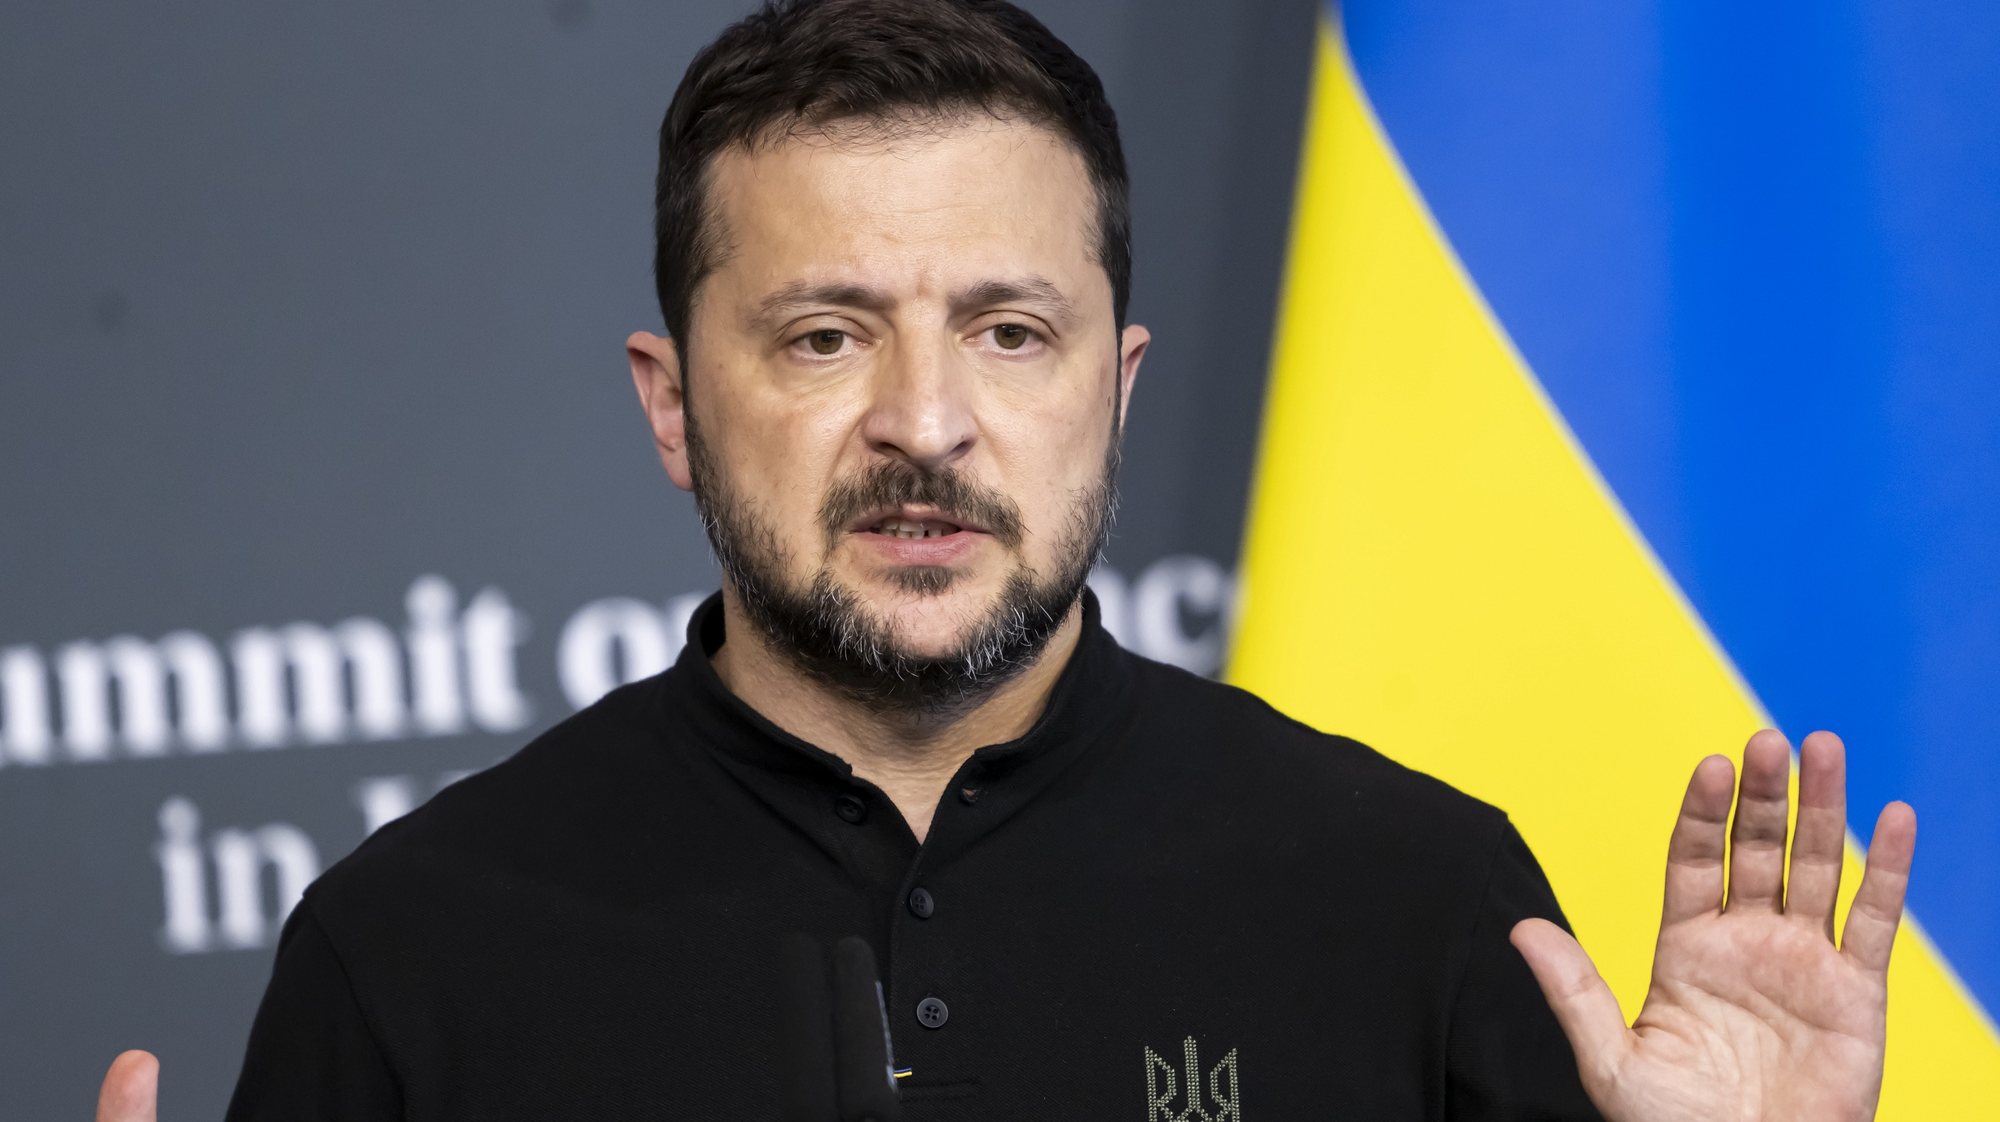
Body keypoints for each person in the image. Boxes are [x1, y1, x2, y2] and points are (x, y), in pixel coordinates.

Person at [93, 0, 1917, 1118]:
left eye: (1010, 332)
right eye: (824, 334)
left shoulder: (1414, 896)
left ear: (1117, 391)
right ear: (670, 404)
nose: (925, 423)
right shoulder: (414, 947)